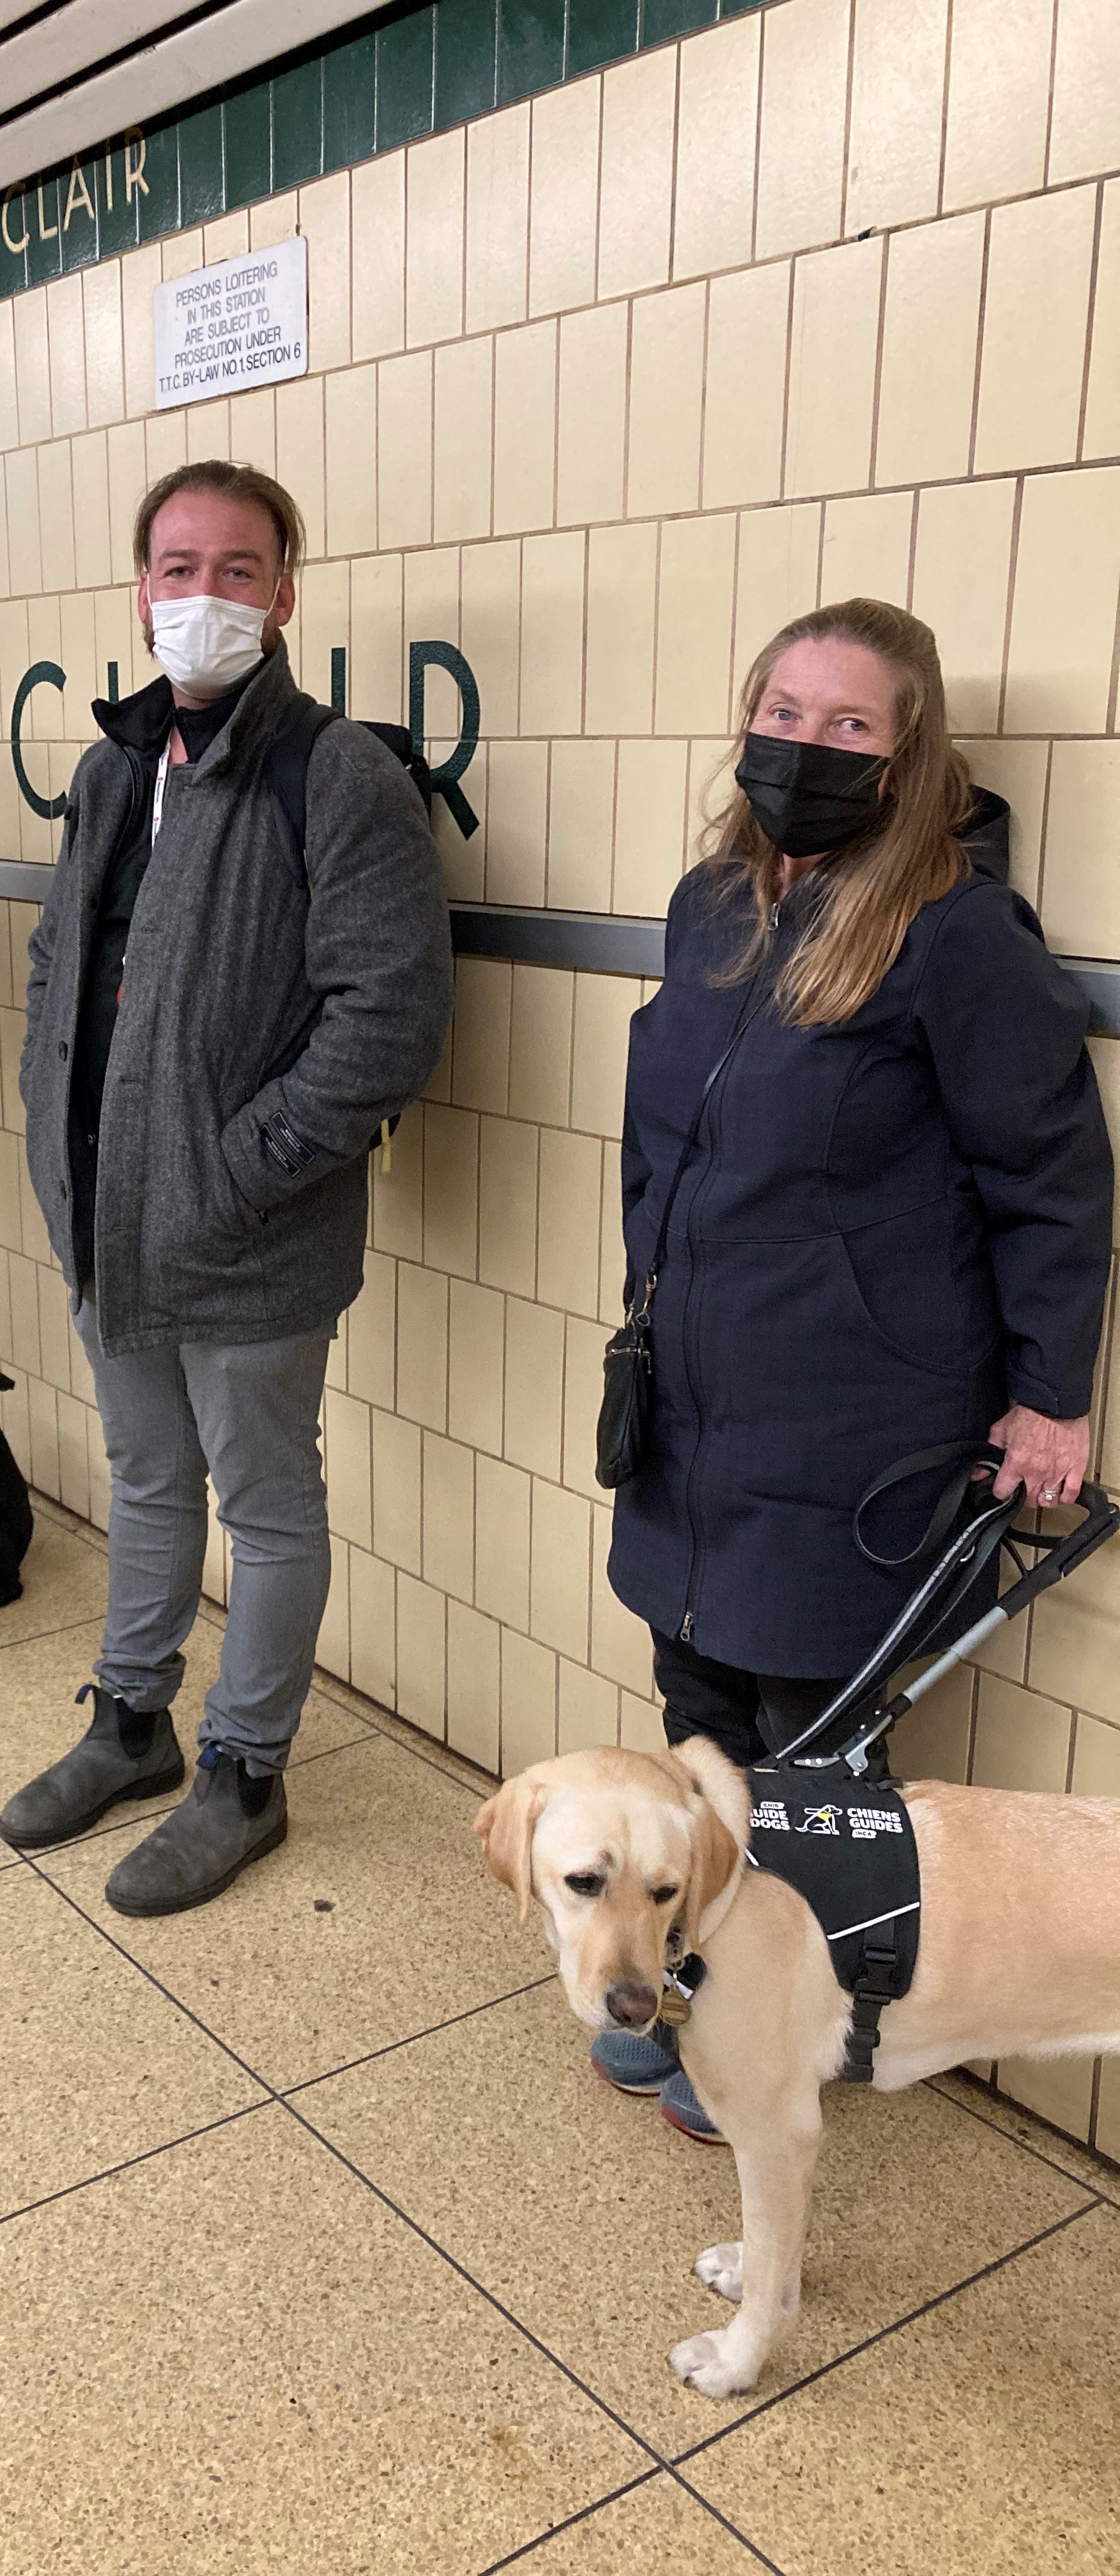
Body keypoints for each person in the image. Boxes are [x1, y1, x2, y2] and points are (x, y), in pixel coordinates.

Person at [602, 597, 1114, 2138]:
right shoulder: (716, 907)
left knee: (806, 1756)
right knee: (696, 1709)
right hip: (693, 1409)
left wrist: (1051, 1394)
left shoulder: (956, 937)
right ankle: (687, 1982)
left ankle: (789, 2031)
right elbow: (662, 1140)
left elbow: (1054, 1177)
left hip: (855, 1433)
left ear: (908, 758)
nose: (804, 746)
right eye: (786, 711)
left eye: (849, 726)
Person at [0, 460, 454, 1913]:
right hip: (108, 1222)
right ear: (140, 589)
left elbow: (388, 1015)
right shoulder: (113, 768)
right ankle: (130, 1725)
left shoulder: (337, 776)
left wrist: (239, 1168)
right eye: (179, 567)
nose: (204, 595)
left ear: (286, 594)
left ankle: (244, 1773)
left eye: (238, 569)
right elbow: (63, 961)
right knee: (145, 1479)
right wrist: (45, 1116)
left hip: (249, 1240)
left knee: (266, 1509)